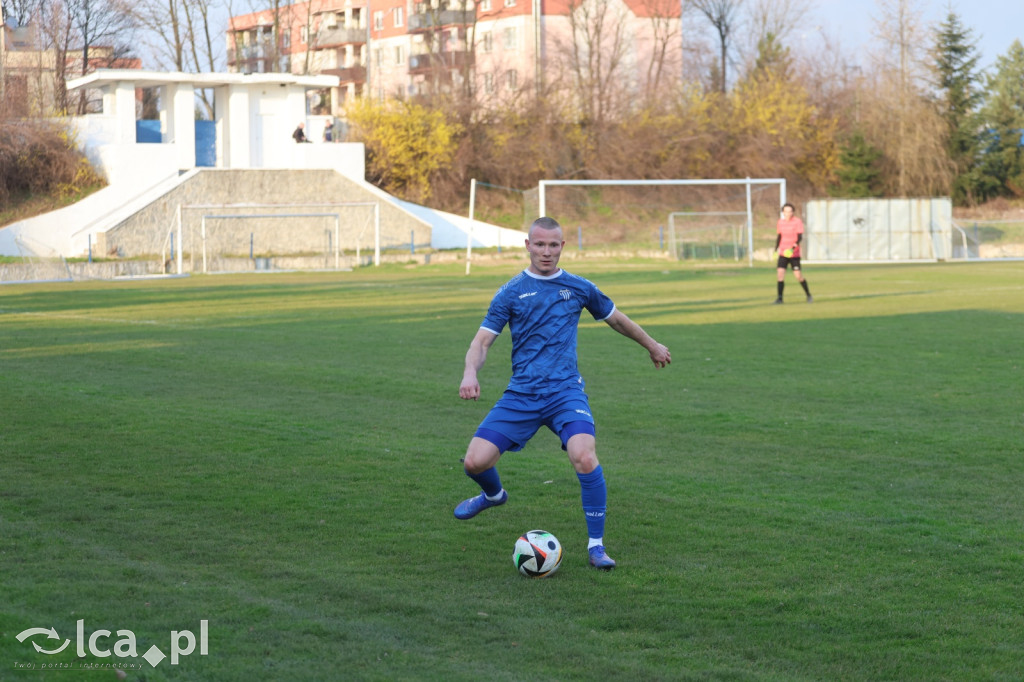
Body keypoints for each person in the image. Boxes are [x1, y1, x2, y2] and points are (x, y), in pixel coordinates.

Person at [454, 216, 672, 570]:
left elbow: (617, 319)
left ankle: (596, 546)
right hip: (522, 394)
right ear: (527, 246)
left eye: (553, 245)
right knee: (474, 463)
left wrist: (651, 344)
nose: (546, 251)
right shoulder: (510, 292)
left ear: (563, 246)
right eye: (539, 244)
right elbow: (482, 341)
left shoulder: (579, 287)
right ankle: (493, 495)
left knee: (584, 455)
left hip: (565, 392)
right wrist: (469, 372)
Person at [773, 202, 813, 303]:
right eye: (786, 211)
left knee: (798, 276)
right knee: (780, 275)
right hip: (783, 253)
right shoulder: (780, 222)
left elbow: (800, 237)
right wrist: (775, 249)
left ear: (793, 212)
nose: (788, 213)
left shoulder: (797, 222)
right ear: (783, 212)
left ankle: (808, 295)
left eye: (790, 211)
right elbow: (779, 236)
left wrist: (793, 247)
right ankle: (780, 298)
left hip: (794, 254)